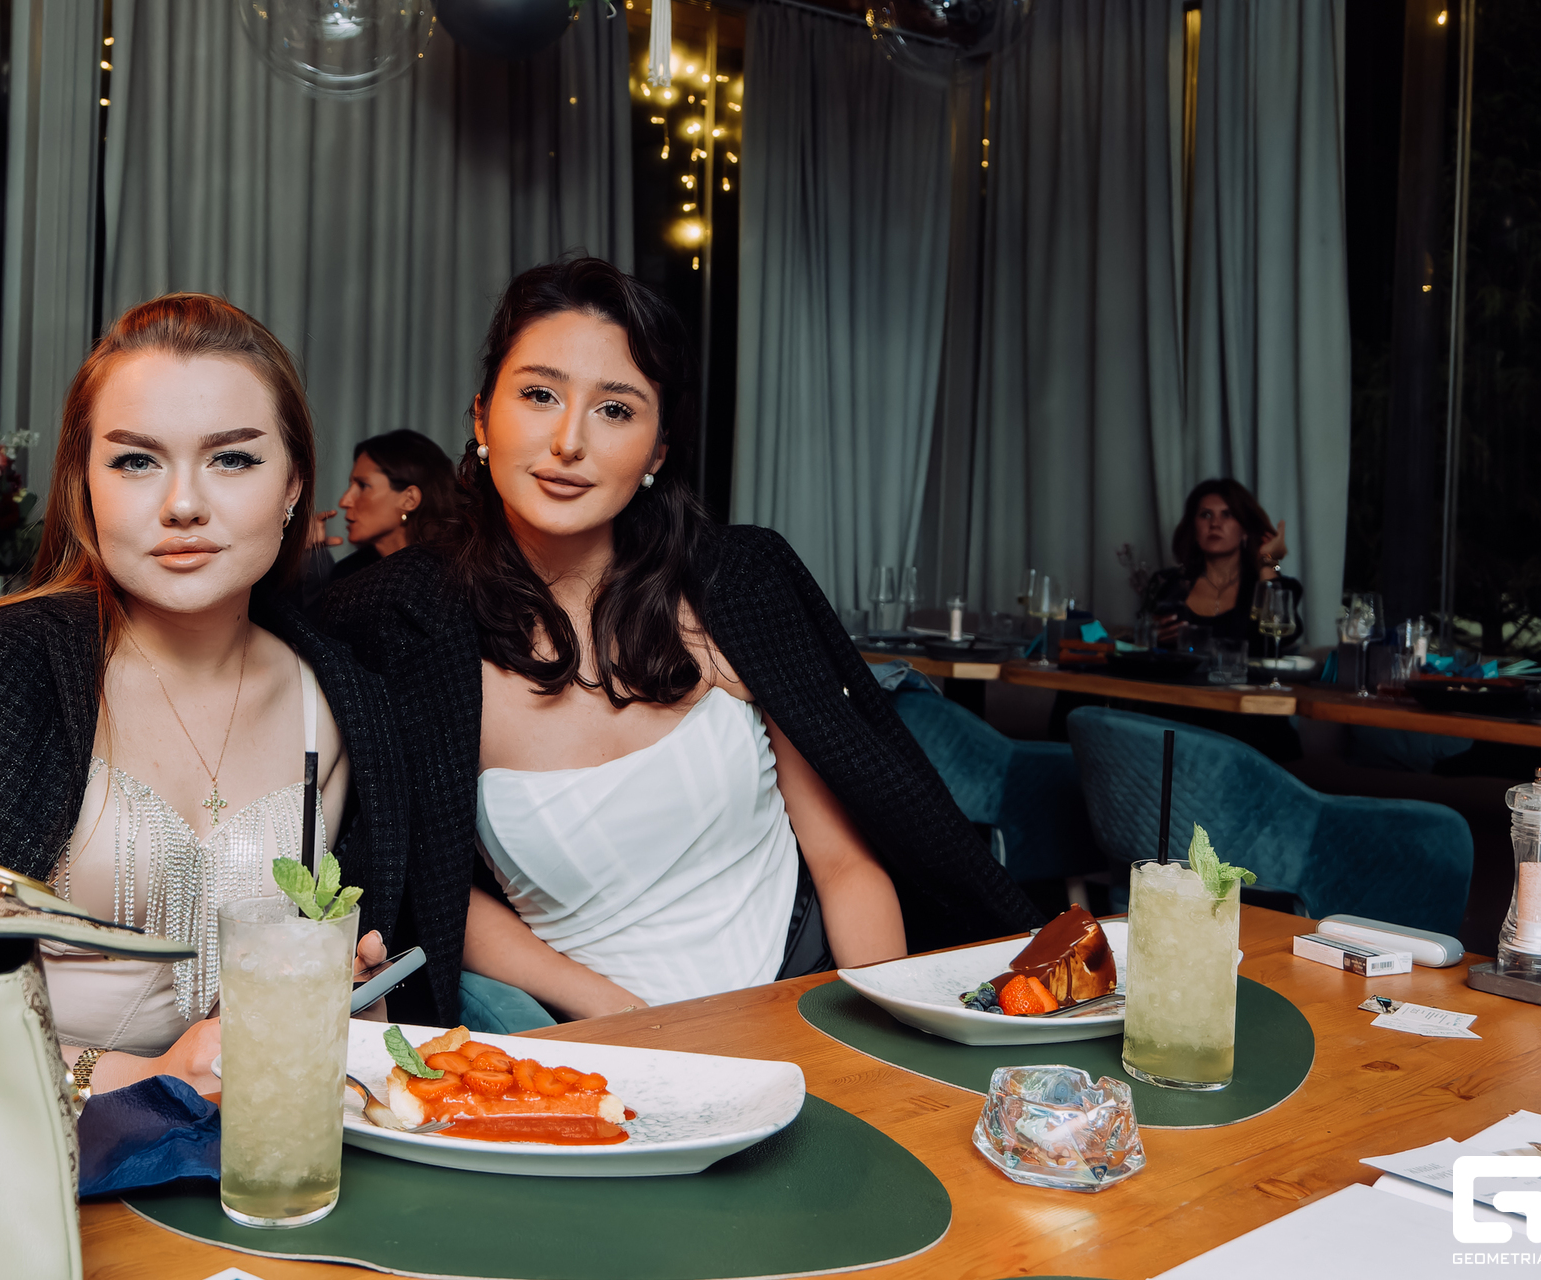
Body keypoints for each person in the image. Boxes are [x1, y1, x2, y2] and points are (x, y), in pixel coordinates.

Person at [322, 258, 1038, 1026]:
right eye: (539, 395)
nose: (568, 441)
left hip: (812, 995)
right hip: (605, 1037)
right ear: (480, 418)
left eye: (615, 410)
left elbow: (845, 865)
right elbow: (435, 892)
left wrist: (879, 1038)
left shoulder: (735, 587)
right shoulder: (405, 625)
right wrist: (627, 1018)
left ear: (658, 450)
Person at [0, 293, 416, 1099]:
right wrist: (143, 1076)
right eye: (136, 461)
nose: (183, 504)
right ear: (84, 487)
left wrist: (330, 1001)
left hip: (223, 1153)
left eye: (233, 459)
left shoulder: (340, 705)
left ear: (293, 486)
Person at [1145, 479, 1300, 648]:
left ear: (1245, 531)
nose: (1215, 524)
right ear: (1194, 529)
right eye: (1206, 515)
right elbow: (1141, 645)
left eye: (1227, 514)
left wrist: (1267, 562)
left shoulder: (1271, 586)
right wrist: (1153, 636)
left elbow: (1278, 639)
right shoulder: (1166, 584)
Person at [320, 430, 456, 584]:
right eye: (351, 486)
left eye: (363, 486)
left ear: (409, 500)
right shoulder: (345, 576)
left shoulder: (454, 576)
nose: (344, 501)